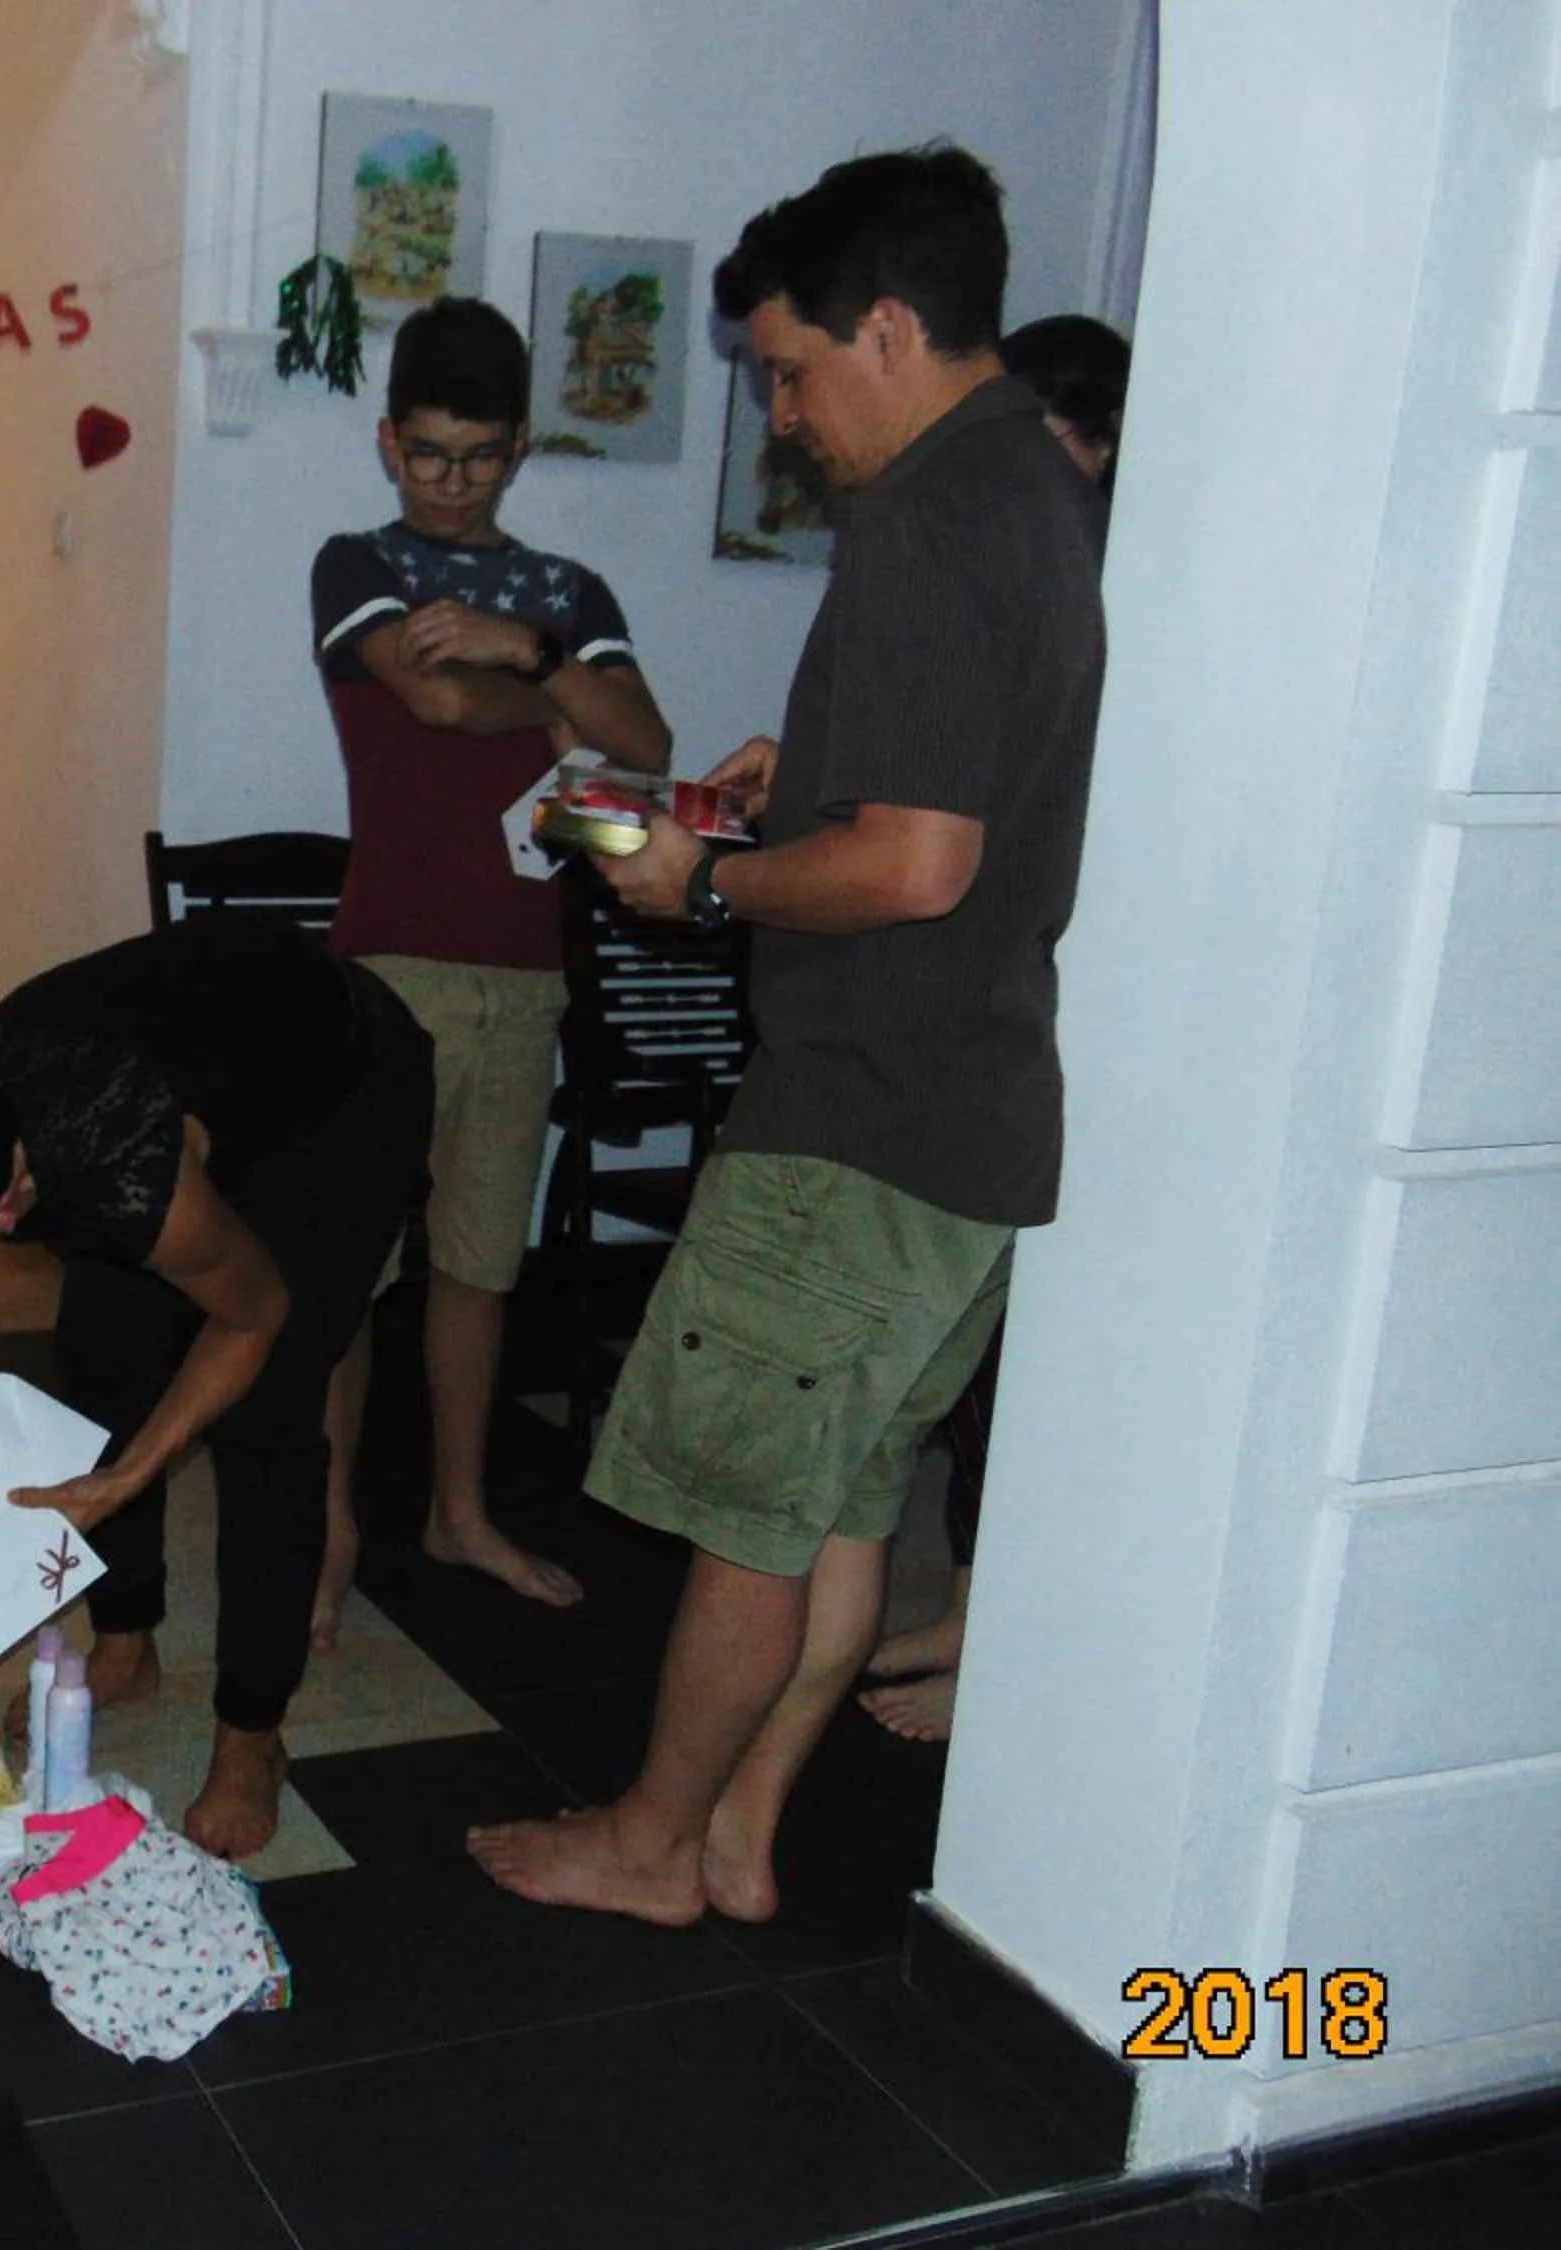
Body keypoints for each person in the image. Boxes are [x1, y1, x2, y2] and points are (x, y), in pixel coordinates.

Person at [468, 145, 1104, 1925]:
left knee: (747, 1508)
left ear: (890, 329)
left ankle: (653, 1845)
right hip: (972, 1126)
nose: (783, 410)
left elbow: (910, 868)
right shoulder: (1038, 488)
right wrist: (791, 780)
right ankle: (742, 1831)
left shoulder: (922, 519)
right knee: (838, 1505)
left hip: (860, 1118)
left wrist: (702, 882)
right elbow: (943, 800)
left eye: (789, 367)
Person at [0, 916, 434, 1858]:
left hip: (342, 1094)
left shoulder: (118, 1163)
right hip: (200, 1056)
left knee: (266, 1413)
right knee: (102, 1346)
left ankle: (253, 1738)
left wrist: (133, 1472)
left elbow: (251, 1313)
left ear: (0, 1213)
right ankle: (128, 1642)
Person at [307, 296, 675, 1648]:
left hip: (525, 970)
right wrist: (556, 696)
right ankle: (328, 1520)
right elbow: (437, 703)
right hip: (388, 966)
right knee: (352, 1268)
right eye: (428, 457)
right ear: (390, 440)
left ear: (519, 445)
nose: (452, 487)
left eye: (478, 459)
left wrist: (529, 652)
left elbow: (644, 737)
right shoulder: (354, 561)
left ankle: (460, 1507)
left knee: (477, 1267)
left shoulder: (562, 595)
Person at [859, 307, 1129, 1745]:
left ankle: (996, 1649)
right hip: (1021, 1018)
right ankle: (971, 1608)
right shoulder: (1038, 565)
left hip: (1085, 1026)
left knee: (1045, 1366)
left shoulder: (1114, 584)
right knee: (990, 1365)